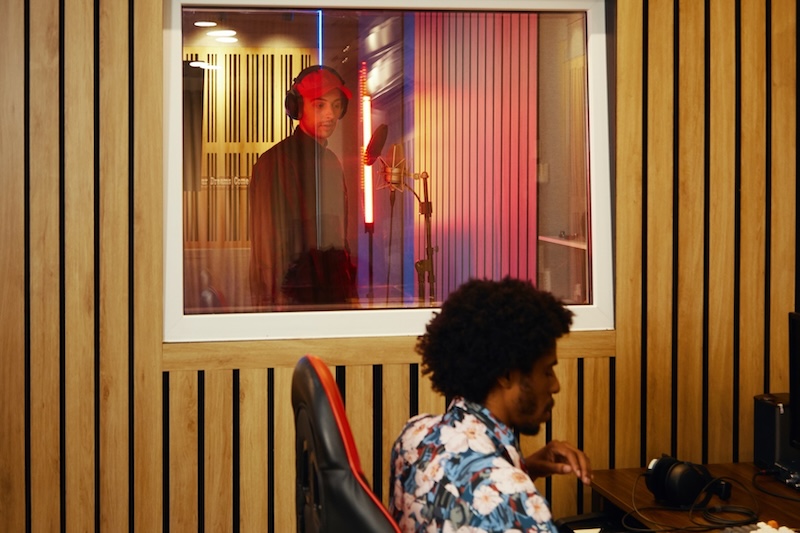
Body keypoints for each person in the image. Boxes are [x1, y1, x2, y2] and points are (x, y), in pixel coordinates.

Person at [389, 277, 592, 532]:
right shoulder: (515, 500)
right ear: (506, 375)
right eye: (547, 371)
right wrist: (514, 479)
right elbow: (498, 502)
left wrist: (523, 467)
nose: (555, 385)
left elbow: (460, 498)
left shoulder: (414, 435)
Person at [249, 65, 357, 309]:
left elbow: (338, 238)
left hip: (331, 299)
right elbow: (267, 246)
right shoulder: (274, 163)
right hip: (293, 302)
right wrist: (274, 303)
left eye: (336, 106)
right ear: (296, 108)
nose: (330, 115)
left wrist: (348, 291)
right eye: (320, 105)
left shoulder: (331, 162)